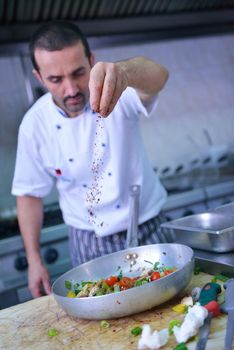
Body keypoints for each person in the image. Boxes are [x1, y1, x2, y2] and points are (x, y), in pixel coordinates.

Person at [11, 20, 169, 298]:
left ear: (92, 61)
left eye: (79, 73)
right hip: (88, 242)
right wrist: (34, 260)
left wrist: (124, 72)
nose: (71, 89)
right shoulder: (34, 125)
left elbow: (160, 76)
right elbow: (28, 196)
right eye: (56, 80)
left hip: (148, 229)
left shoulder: (118, 90)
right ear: (39, 78)